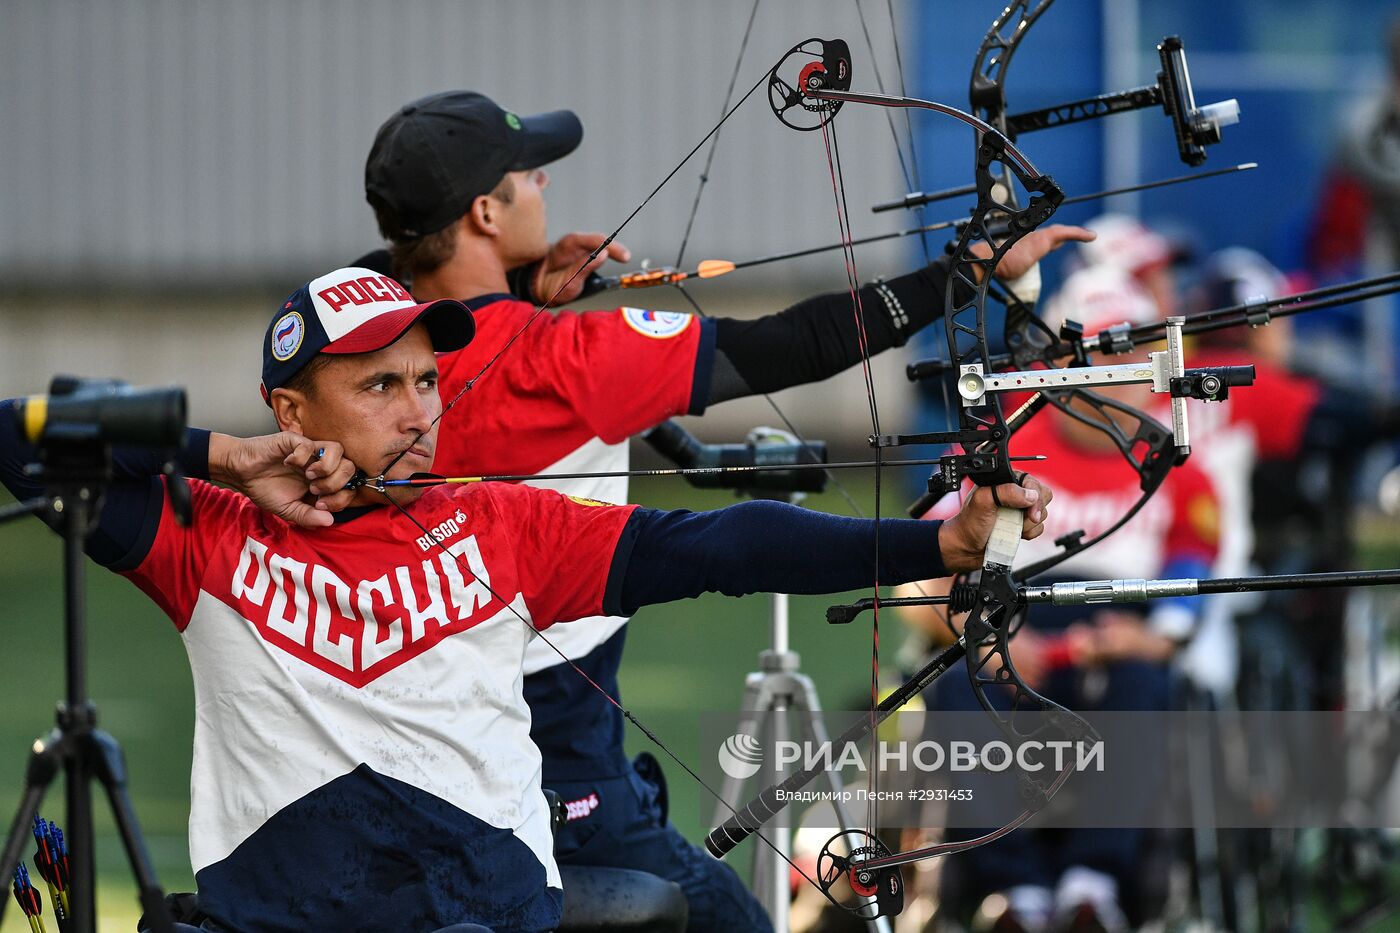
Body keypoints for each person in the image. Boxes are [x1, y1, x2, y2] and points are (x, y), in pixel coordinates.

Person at [0, 268, 1056, 933]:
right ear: (290, 407)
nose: (417, 413)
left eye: (425, 382)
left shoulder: (496, 520)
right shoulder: (205, 536)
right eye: (378, 387)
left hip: (491, 911)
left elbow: (716, 546)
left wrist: (934, 541)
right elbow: (20, 434)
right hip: (291, 914)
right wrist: (222, 455)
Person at [354, 89, 1093, 931]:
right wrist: (962, 275)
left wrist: (512, 283)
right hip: (549, 737)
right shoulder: (557, 357)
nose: (546, 186)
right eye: (529, 176)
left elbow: (378, 285)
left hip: (390, 732)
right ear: (485, 211)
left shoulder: (356, 352)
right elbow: (787, 346)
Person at [897, 269, 1220, 933]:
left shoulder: (1176, 462)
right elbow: (920, 576)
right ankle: (1012, 892)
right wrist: (982, 641)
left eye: (1130, 354)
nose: (1114, 371)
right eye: (1097, 355)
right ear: (1058, 362)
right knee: (958, 689)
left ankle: (1092, 887)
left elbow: (1193, 570)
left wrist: (1154, 637)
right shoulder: (991, 455)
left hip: (1117, 646)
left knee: (1144, 683)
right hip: (1006, 637)